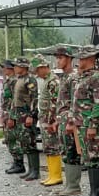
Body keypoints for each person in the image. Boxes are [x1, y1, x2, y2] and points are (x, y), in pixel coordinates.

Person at [70, 46, 99, 196]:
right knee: (89, 158)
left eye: (82, 58)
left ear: (91, 59)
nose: (79, 61)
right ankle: (92, 192)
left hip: (92, 125)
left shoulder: (97, 78)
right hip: (82, 124)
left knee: (96, 158)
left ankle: (98, 194)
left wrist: (93, 125)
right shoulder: (83, 77)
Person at [53, 46, 82, 196]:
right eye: (57, 58)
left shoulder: (74, 77)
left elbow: (75, 102)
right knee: (65, 150)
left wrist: (71, 121)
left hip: (70, 120)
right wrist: (58, 119)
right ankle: (69, 184)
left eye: (61, 58)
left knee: (71, 151)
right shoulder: (63, 77)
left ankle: (74, 185)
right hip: (63, 119)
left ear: (70, 59)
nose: (58, 60)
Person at [11, 57, 41, 181]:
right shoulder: (19, 79)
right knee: (24, 142)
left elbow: (34, 98)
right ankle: (30, 170)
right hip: (19, 113)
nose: (15, 67)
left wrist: (31, 115)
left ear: (23, 67)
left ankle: (35, 171)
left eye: (17, 65)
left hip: (26, 113)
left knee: (30, 142)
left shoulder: (30, 80)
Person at [35, 54, 63, 187]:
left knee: (52, 146)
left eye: (37, 69)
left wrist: (53, 120)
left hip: (50, 119)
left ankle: (56, 175)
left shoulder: (53, 81)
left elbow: (55, 102)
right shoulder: (47, 80)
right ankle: (51, 174)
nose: (36, 73)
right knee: (47, 146)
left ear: (44, 67)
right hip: (45, 118)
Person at [1, 59, 23, 174]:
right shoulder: (8, 81)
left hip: (11, 114)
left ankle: (19, 163)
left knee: (13, 138)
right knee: (8, 139)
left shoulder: (14, 81)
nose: (3, 70)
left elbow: (15, 101)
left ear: (10, 68)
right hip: (6, 113)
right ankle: (15, 161)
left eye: (4, 67)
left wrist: (11, 117)